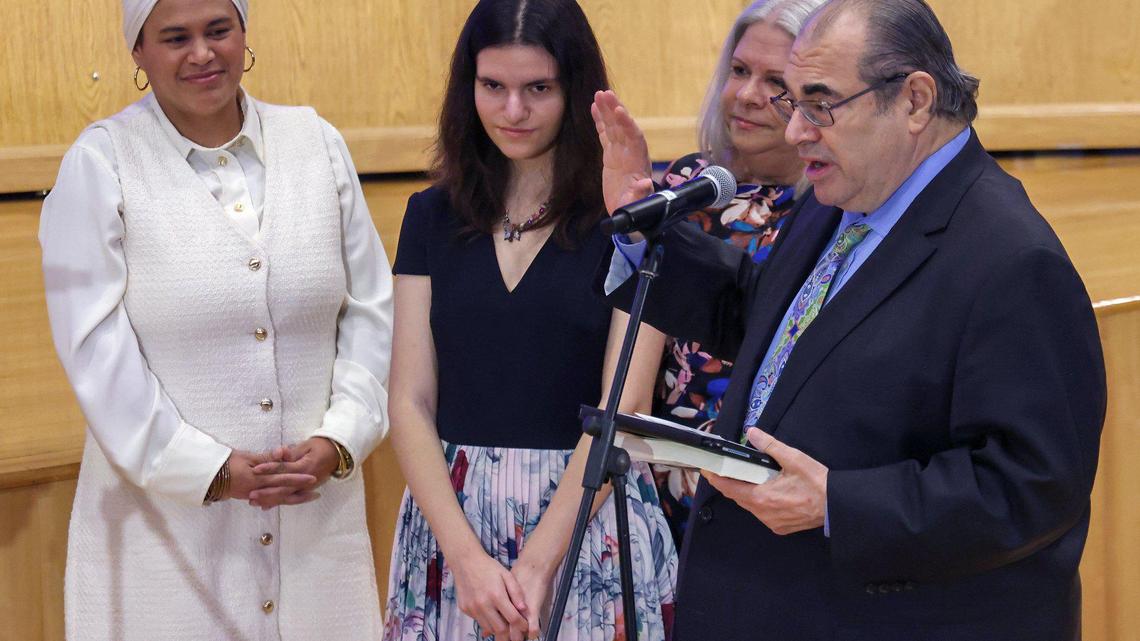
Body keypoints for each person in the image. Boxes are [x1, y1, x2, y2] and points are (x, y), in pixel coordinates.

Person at [594, 0, 1106, 638]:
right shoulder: (846, 194)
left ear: (915, 101)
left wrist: (838, 504)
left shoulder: (1012, 259)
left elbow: (1032, 486)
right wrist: (646, 230)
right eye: (794, 105)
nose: (795, 132)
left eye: (820, 104)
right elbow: (775, 325)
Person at [39, 0, 393, 639]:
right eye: (175, 37)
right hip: (164, 544)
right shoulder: (101, 163)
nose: (202, 54)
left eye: (218, 30)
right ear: (139, 53)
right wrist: (205, 469)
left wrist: (342, 438)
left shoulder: (318, 144)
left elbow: (370, 311)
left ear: (244, 34)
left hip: (317, 527)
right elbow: (94, 351)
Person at [382, 1, 677, 640]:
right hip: (452, 525)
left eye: (537, 89)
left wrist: (540, 565)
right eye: (493, 87)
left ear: (575, 90)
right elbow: (407, 400)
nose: (512, 111)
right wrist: (466, 560)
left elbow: (622, 409)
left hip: (586, 516)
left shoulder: (634, 217)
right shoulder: (430, 215)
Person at [623, 0, 827, 547]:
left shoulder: (833, 211)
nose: (745, 95)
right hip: (657, 478)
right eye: (739, 71)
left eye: (774, 81)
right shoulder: (692, 184)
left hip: (765, 494)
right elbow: (634, 371)